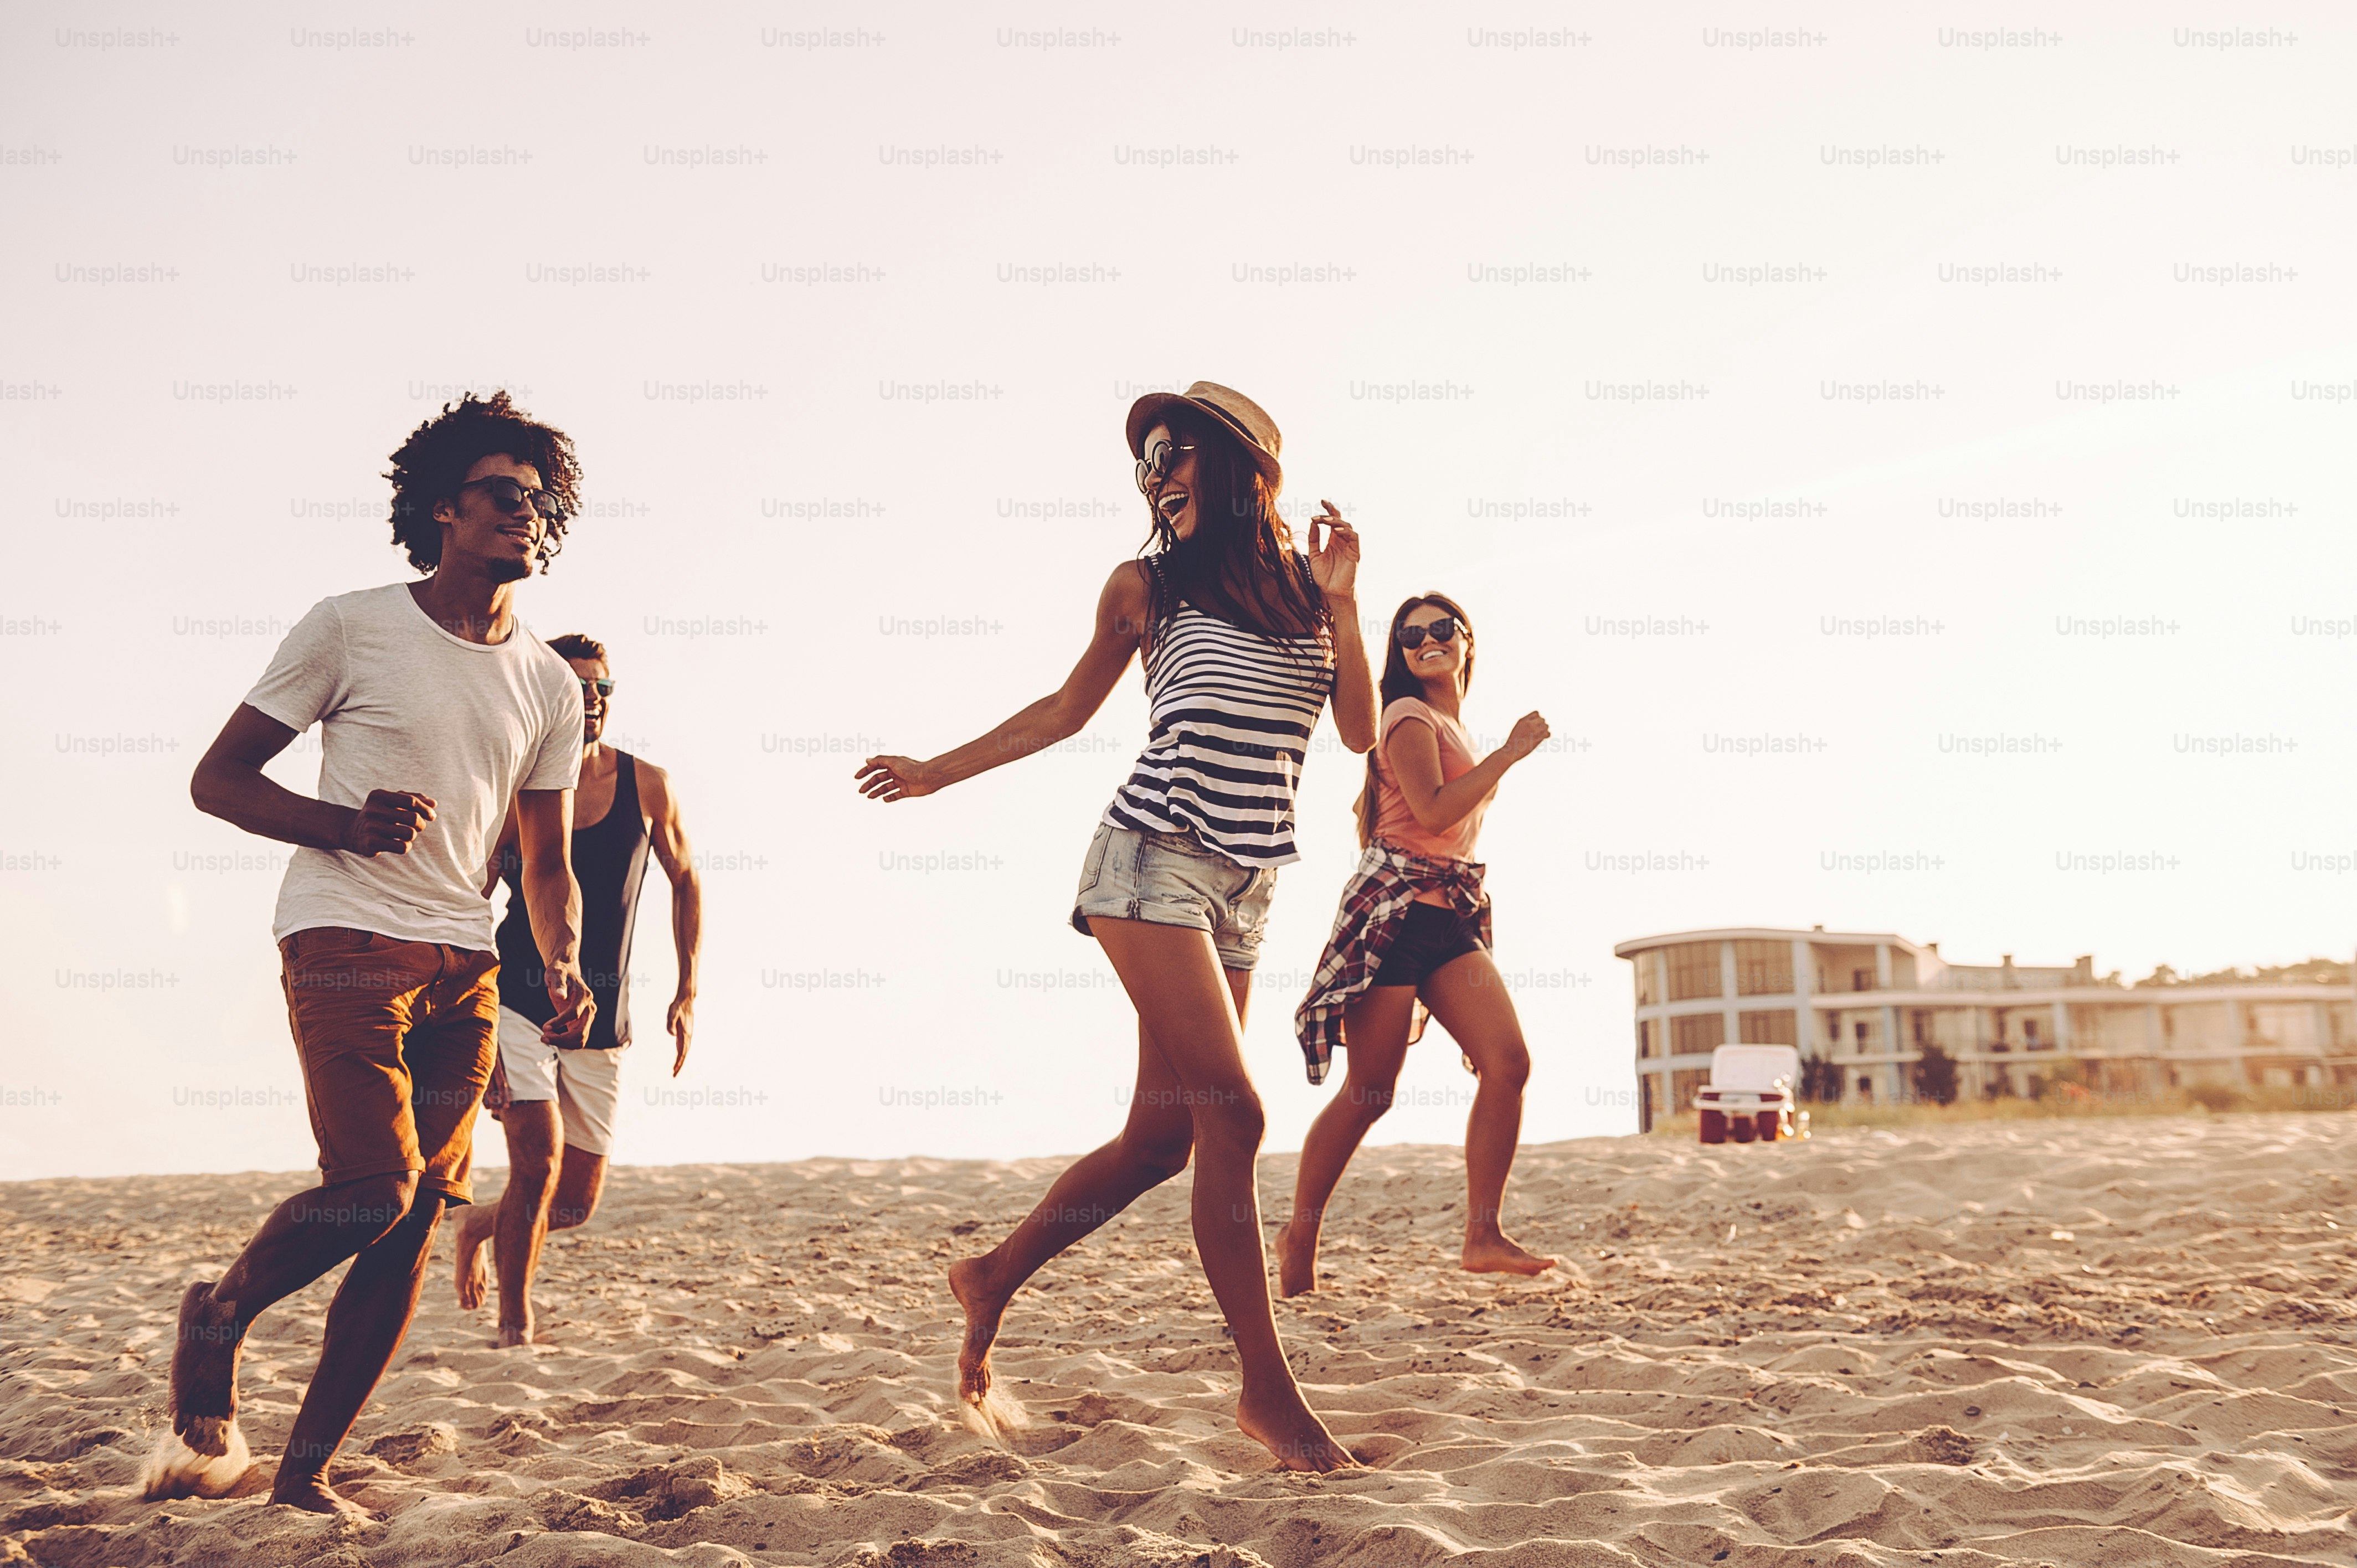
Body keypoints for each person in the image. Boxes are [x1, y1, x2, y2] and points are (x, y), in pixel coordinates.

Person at [855, 381, 1375, 1472]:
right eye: (1146, 459)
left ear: (1243, 472)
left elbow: (1361, 732)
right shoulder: (1144, 588)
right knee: (1234, 1112)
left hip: (1248, 882)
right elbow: (1064, 710)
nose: (1155, 474)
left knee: (1164, 1136)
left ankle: (991, 1274)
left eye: (1176, 453)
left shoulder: (1304, 594)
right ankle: (1269, 1397)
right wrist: (935, 773)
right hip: (1148, 858)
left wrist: (1344, 601)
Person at [145, 392, 594, 1515]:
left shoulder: (549, 683)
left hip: (467, 964)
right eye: (503, 495)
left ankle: (303, 1479)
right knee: (375, 1190)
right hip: (345, 936)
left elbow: (543, 858)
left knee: (410, 1228)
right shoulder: (351, 626)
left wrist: (565, 961)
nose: (525, 516)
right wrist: (343, 824)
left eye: (540, 505)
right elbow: (219, 780)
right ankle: (223, 1309)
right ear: (443, 508)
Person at [1279, 593, 1558, 1297]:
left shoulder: (1444, 723)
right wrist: (1510, 754)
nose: (1424, 640)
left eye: (1440, 629)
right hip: (1395, 914)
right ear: (1399, 651)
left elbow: (1415, 813)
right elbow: (1434, 810)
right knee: (1370, 1092)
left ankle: (1481, 1234)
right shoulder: (1404, 715)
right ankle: (1299, 1233)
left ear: (1467, 640)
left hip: (1449, 911)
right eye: (1409, 634)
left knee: (1507, 1062)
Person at [451, 633, 702, 1345]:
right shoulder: (509, 792)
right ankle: (514, 1327)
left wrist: (687, 990)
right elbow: (470, 906)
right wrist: (480, 1038)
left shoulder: (647, 785)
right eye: (577, 687)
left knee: (574, 1204)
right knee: (537, 1162)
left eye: (602, 689)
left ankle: (477, 1224)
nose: (592, 701)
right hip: (516, 999)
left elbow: (686, 881)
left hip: (605, 1014)